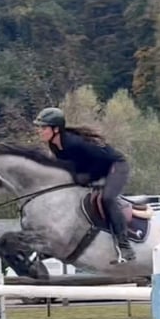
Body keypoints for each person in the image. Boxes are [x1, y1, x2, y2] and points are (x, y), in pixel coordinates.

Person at [33, 106, 135, 263]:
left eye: (43, 127)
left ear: (55, 130)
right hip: (97, 169)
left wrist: (88, 179)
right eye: (39, 127)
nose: (39, 131)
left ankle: (125, 246)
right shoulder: (55, 145)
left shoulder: (75, 143)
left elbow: (101, 162)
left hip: (116, 166)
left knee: (107, 198)